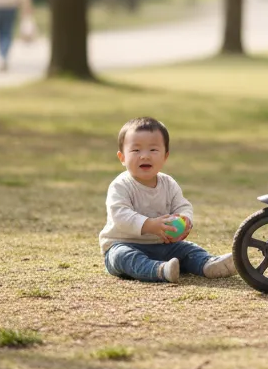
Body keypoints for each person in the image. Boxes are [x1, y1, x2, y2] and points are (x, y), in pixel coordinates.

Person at [99, 117, 236, 283]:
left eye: (153, 150)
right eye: (136, 150)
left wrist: (185, 220)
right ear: (122, 157)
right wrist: (150, 225)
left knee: (187, 249)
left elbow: (182, 206)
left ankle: (208, 264)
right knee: (122, 257)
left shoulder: (168, 183)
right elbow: (120, 215)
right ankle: (159, 270)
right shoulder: (121, 185)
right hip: (125, 244)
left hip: (164, 246)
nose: (145, 156)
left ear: (165, 156)